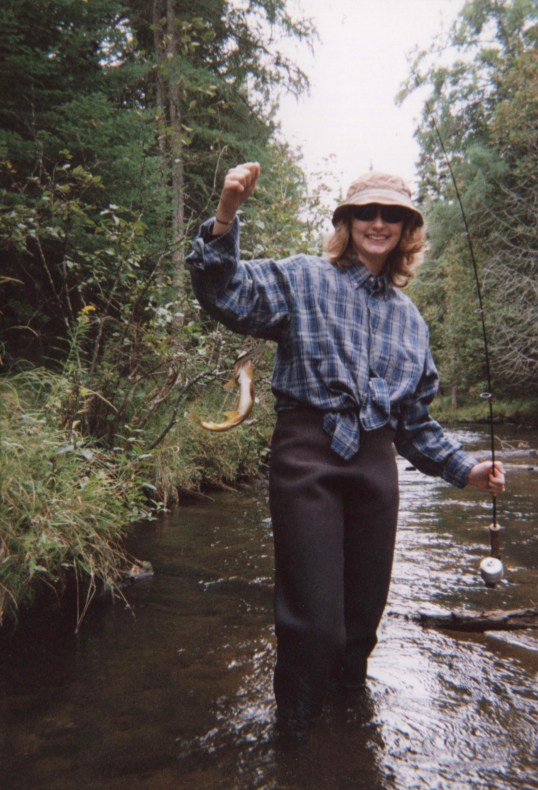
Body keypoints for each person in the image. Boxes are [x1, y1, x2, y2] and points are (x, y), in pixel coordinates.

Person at [186, 162, 505, 733]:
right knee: (314, 624)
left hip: (377, 468)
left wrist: (468, 469)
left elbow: (415, 423)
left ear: (407, 230)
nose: (378, 223)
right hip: (307, 456)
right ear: (347, 220)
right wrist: (228, 211)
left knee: (359, 626)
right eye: (367, 213)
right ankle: (298, 741)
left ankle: (347, 737)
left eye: (392, 216)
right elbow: (224, 293)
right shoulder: (302, 277)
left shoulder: (412, 323)